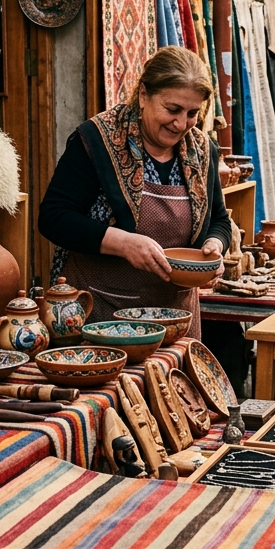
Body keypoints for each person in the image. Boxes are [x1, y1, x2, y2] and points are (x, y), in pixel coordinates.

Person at [39, 47, 232, 339]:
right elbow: (53, 217)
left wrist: (215, 246)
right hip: (100, 314)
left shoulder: (203, 151)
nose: (182, 124)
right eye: (173, 109)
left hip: (176, 321)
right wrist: (122, 243)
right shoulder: (97, 141)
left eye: (192, 113)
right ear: (143, 95)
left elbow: (219, 219)